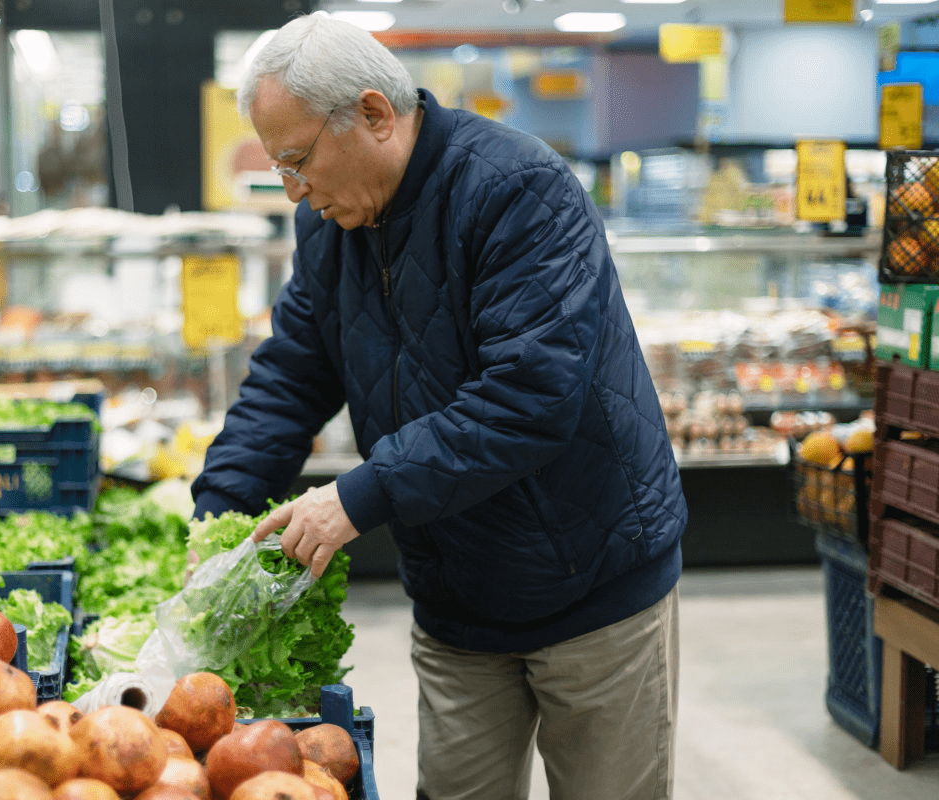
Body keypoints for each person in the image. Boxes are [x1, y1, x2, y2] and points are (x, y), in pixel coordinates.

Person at [190, 12, 687, 800]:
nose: (293, 189)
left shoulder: (517, 191)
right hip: (457, 596)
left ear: (375, 115)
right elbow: (290, 377)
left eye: (297, 159)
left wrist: (356, 497)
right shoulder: (327, 226)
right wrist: (213, 513)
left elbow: (528, 397)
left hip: (591, 586)